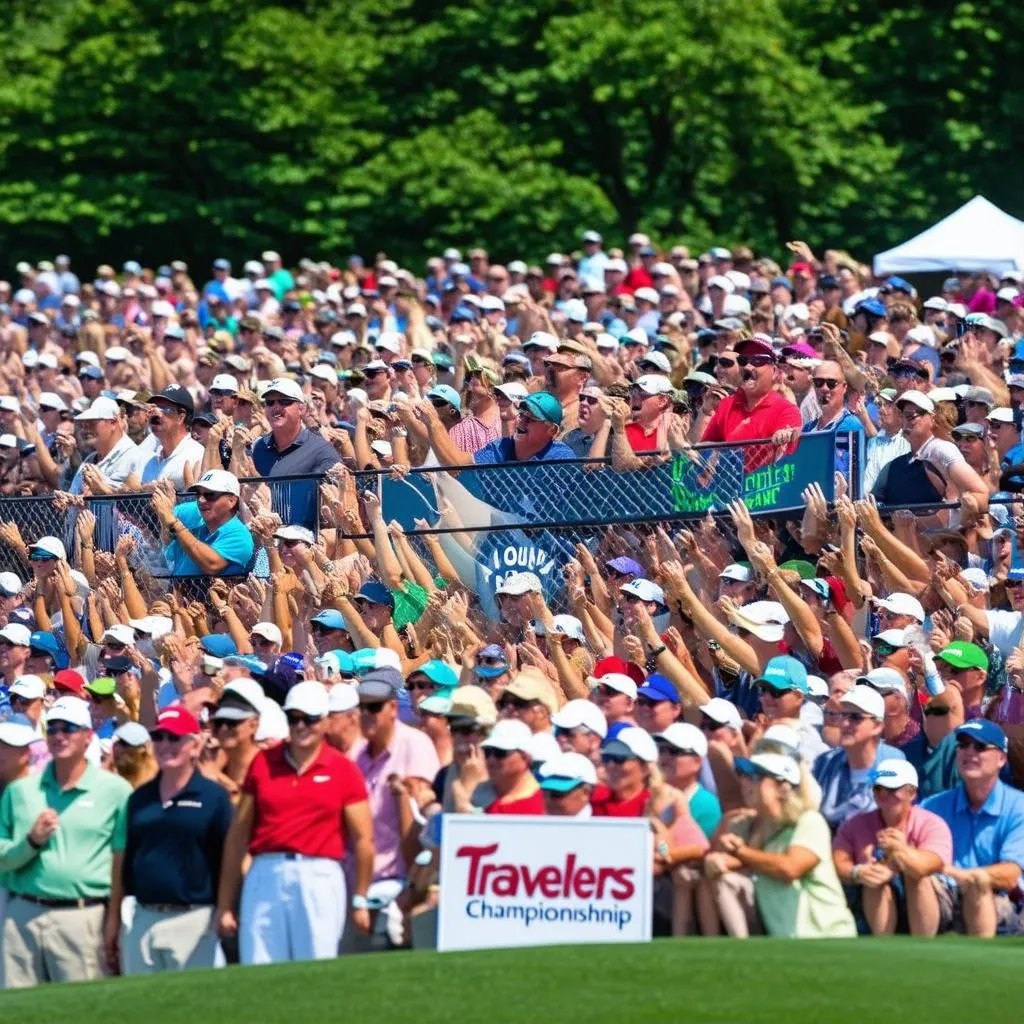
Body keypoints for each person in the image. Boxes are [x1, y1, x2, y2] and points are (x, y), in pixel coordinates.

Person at [216, 681, 374, 965]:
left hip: (320, 875)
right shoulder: (263, 762)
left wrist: (361, 897)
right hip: (266, 871)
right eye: (294, 718)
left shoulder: (343, 769)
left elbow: (363, 839)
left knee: (316, 968)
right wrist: (226, 904)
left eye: (310, 719)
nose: (301, 725)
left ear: (325, 722)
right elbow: (237, 836)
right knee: (259, 966)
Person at [0, 696, 132, 988]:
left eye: (68, 728)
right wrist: (31, 842)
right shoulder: (20, 791)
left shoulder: (116, 791)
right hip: (22, 915)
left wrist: (113, 922)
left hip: (83, 917)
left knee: (83, 1014)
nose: (59, 735)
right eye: (53, 729)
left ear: (87, 736)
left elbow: (121, 861)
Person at [106, 707, 232, 975]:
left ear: (194, 744)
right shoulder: (138, 799)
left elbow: (227, 861)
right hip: (142, 918)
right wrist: (114, 920)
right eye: (159, 737)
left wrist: (225, 909)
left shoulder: (213, 797)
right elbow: (124, 864)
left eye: (174, 738)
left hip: (195, 919)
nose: (165, 745)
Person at [706, 752, 856, 938]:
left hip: (829, 938)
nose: (744, 783)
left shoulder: (809, 821)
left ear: (783, 788)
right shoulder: (752, 827)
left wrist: (740, 851)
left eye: (755, 777)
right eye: (743, 776)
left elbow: (790, 868)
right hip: (785, 942)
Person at [350, 668, 440, 927]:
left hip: (395, 885)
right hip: (354, 881)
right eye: (361, 708)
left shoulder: (415, 744)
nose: (365, 715)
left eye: (373, 707)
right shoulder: (356, 752)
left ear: (391, 707)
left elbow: (420, 824)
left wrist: (410, 890)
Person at [922, 720, 1024, 936]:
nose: (969, 752)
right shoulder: (932, 806)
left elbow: (1009, 874)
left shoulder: (1019, 807)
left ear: (1001, 758)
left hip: (998, 897)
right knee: (919, 881)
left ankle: (981, 966)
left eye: (979, 746)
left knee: (978, 885)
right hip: (943, 892)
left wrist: (962, 876)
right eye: (963, 745)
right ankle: (910, 958)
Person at [833, 759, 952, 936]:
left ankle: (924, 945)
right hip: (873, 900)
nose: (883, 795)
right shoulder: (855, 825)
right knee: (873, 878)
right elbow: (838, 861)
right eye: (878, 789)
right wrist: (858, 872)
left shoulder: (932, 824)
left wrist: (900, 851)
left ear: (912, 793)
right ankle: (884, 946)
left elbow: (928, 865)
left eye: (892, 790)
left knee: (915, 875)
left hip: (930, 901)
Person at [813, 685, 906, 832]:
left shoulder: (893, 763)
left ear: (877, 726)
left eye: (855, 717)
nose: (844, 723)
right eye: (842, 715)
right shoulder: (825, 763)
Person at [151, 469, 255, 576]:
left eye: (210, 495)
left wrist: (173, 523)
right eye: (198, 494)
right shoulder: (196, 520)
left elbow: (211, 565)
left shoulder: (240, 536)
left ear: (232, 501)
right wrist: (163, 509)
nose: (201, 500)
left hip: (209, 592)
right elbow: (169, 547)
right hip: (178, 590)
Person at [140, 384, 204, 489]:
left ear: (181, 417)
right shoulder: (150, 462)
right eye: (155, 408)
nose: (157, 414)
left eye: (165, 409)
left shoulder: (196, 455)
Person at [480, 719, 544, 814]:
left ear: (525, 757)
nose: (491, 759)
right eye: (487, 752)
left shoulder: (544, 804)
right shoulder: (476, 796)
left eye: (500, 753)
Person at [538, 752, 597, 817]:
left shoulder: (603, 824)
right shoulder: (533, 824)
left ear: (585, 793)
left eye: (556, 794)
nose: (548, 800)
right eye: (544, 793)